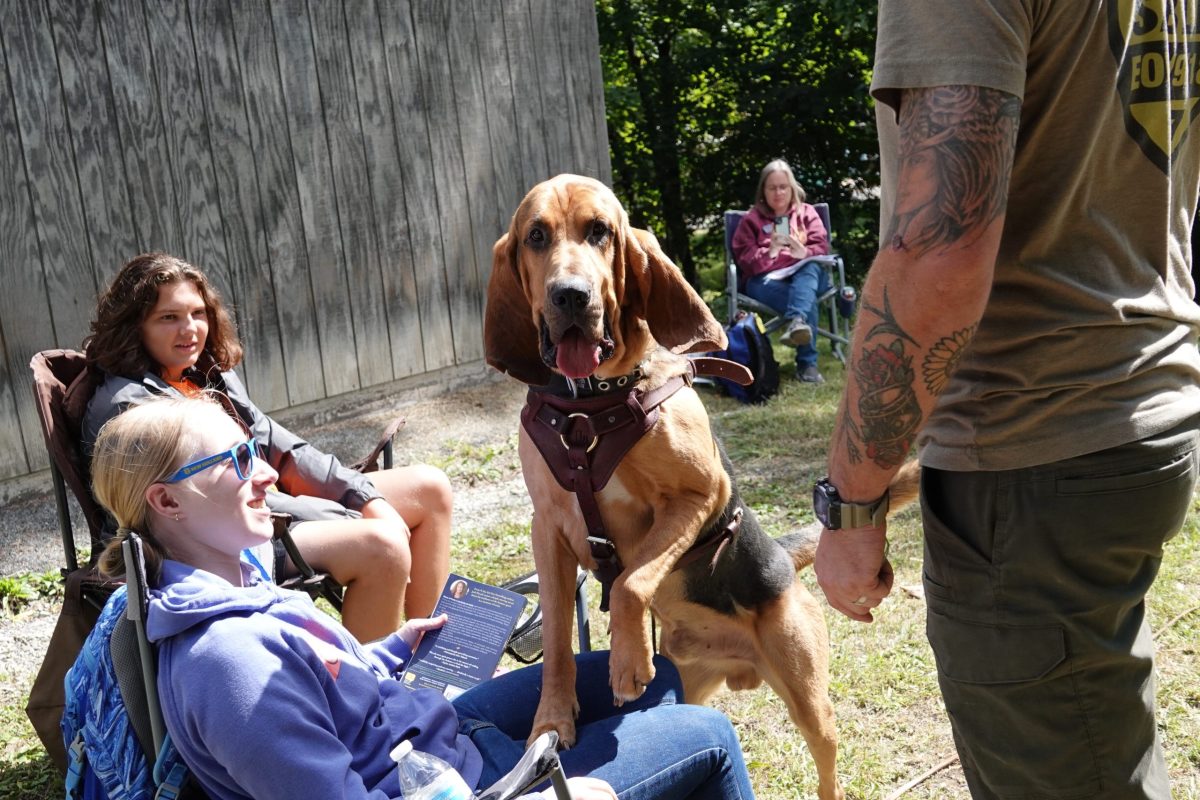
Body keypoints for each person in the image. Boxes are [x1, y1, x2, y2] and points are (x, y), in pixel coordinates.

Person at [811, 3, 1200, 799]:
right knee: (1103, 746)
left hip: (1033, 452)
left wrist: (851, 504)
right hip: (1138, 414)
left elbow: (939, 251)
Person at [88, 396, 757, 800]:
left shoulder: (236, 575)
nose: (265, 473)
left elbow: (323, 690)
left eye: (251, 452)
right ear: (167, 502)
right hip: (459, 782)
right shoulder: (230, 667)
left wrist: (386, 653)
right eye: (234, 463)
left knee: (655, 677)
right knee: (710, 735)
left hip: (432, 737)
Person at [82, 252, 453, 642]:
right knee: (382, 544)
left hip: (261, 506)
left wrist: (365, 498)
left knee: (429, 488)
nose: (189, 329)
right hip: (212, 544)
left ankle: (431, 665)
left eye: (198, 313)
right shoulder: (131, 408)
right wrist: (348, 515)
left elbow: (282, 448)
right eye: (168, 317)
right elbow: (211, 500)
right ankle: (371, 694)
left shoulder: (206, 374)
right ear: (133, 327)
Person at [731, 158, 831, 383]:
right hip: (766, 282)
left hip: (808, 275)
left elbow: (822, 247)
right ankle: (807, 364)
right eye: (772, 187)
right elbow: (745, 262)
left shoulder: (806, 213)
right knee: (806, 301)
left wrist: (803, 252)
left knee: (810, 268)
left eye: (783, 186)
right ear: (763, 191)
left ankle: (798, 323)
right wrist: (771, 251)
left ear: (792, 188)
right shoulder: (751, 220)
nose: (778, 192)